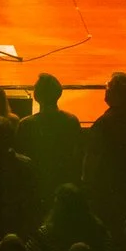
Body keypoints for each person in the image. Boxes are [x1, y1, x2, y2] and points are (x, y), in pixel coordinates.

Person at [81, 72, 126, 233]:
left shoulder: (103, 123)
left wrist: (87, 183)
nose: (105, 90)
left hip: (111, 186)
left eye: (108, 88)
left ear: (115, 95)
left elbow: (93, 156)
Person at [16, 72, 84, 206]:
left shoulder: (26, 124)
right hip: (64, 180)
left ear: (37, 96)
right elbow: (78, 153)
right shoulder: (72, 120)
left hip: (35, 184)